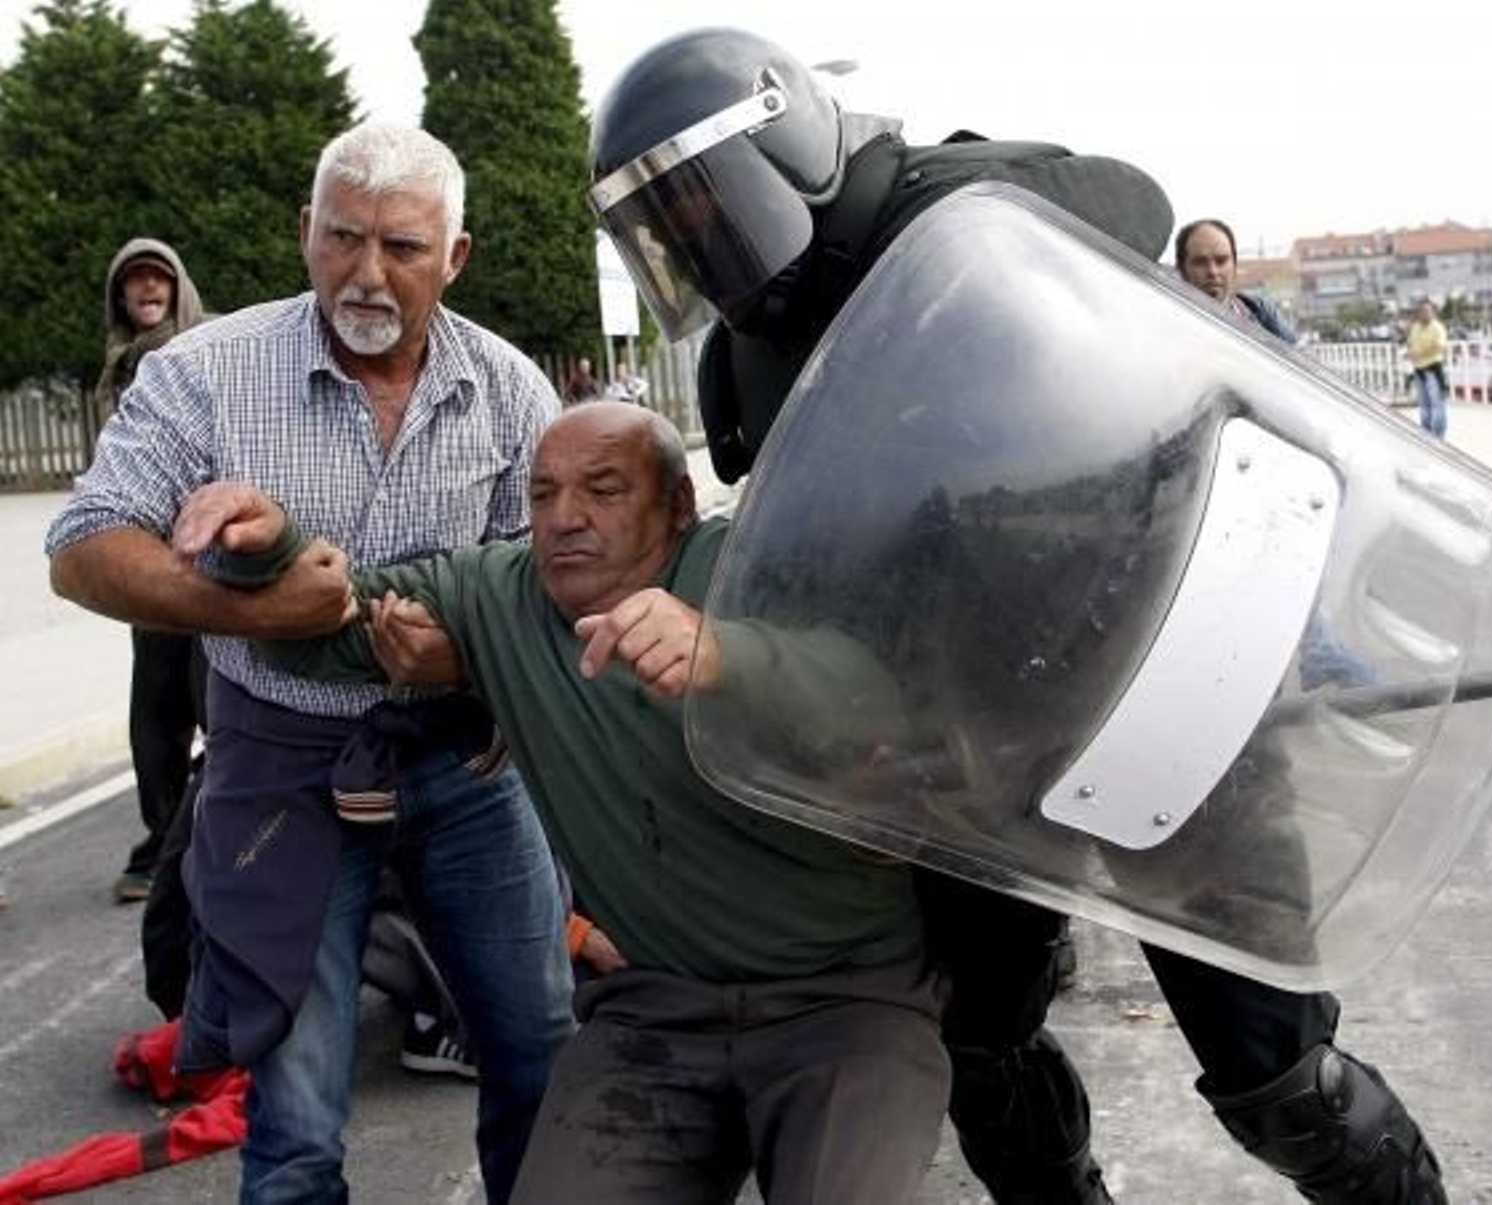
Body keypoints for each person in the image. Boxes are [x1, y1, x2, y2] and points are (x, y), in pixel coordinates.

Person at [584, 29, 1447, 1204]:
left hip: (1156, 702)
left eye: (705, 198)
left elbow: (1132, 207)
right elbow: (792, 551)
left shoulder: (960, 205)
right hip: (962, 750)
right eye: (665, 223)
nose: (695, 236)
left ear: (786, 143)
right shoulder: (744, 359)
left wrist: (980, 243)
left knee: (1281, 1076)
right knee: (980, 1049)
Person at [174, 400, 953, 1205]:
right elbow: (331, 625)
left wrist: (729, 655)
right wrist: (267, 553)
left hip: (847, 1004)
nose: (564, 518)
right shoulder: (496, 597)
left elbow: (877, 694)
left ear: (678, 505)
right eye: (543, 494)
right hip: (655, 1010)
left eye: (604, 489)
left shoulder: (750, 568)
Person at [45, 122, 575, 1205]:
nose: (367, 273)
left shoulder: (514, 392)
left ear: (456, 256)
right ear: (304, 232)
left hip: (464, 764)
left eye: (403, 247)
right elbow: (82, 546)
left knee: (542, 1047)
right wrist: (250, 606)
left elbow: (562, 587)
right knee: (292, 1116)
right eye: (342, 238)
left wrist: (470, 650)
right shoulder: (207, 372)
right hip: (281, 765)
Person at [93, 238, 209, 903]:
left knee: (215, 705)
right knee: (159, 714)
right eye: (133, 279)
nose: (146, 288)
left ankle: (188, 839)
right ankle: (166, 838)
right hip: (150, 564)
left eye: (157, 277)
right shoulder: (119, 364)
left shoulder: (197, 351)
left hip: (203, 559)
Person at [1406, 300, 1449, 436]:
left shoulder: (1438, 327)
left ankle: (1437, 435)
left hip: (1433, 369)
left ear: (1433, 312)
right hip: (1419, 370)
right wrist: (1411, 353)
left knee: (1437, 405)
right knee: (1424, 406)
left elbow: (1440, 346)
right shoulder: (1415, 327)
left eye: (1427, 311)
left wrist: (1420, 352)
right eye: (1422, 311)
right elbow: (1410, 343)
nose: (1424, 313)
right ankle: (1426, 434)